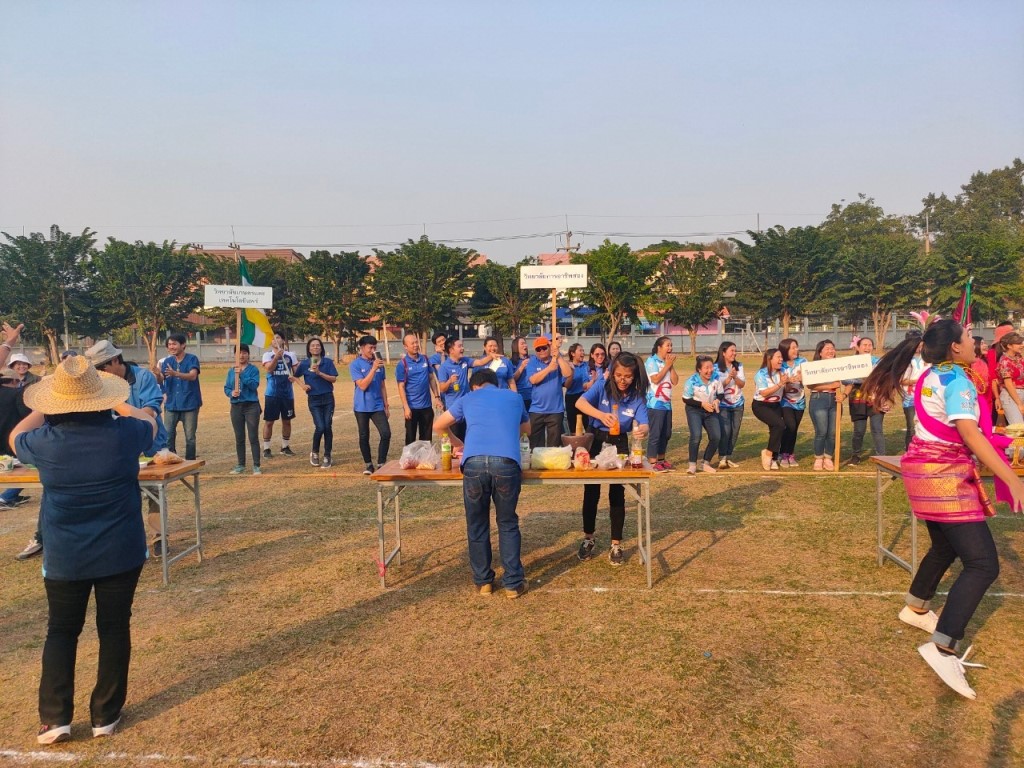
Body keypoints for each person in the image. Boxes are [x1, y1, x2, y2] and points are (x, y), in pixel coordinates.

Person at [862, 319, 1024, 699]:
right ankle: (943, 646)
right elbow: (969, 435)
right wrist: (1012, 478)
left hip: (922, 471)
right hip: (943, 476)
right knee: (983, 564)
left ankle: (916, 607)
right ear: (954, 346)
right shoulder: (956, 380)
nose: (974, 342)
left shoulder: (933, 374)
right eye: (968, 337)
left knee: (944, 547)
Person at [10, 355, 157, 744]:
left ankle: (54, 718)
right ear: (102, 398)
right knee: (114, 627)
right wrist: (117, 401)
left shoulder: (44, 442)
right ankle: (105, 714)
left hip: (65, 554)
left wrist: (46, 405)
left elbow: (15, 436)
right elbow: (150, 422)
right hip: (120, 550)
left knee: (61, 630)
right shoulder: (125, 434)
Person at [434, 368, 531, 598]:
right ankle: (513, 584)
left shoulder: (468, 398)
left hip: (474, 463)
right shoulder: (514, 397)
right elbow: (526, 429)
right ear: (496, 383)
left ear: (475, 386)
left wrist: (458, 443)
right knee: (507, 522)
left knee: (477, 523)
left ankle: (484, 581)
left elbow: (439, 425)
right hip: (506, 463)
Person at [86, 340, 170, 554]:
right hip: (117, 447)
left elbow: (150, 410)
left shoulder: (143, 377)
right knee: (120, 493)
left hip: (150, 444)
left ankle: (159, 537)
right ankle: (125, 538)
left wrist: (124, 418)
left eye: (102, 368)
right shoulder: (100, 384)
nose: (99, 374)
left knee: (155, 492)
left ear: (115, 360)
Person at [574, 351, 650, 565]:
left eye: (628, 376)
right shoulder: (602, 385)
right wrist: (600, 415)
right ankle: (588, 538)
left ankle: (616, 543)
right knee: (591, 491)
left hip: (619, 444)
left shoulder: (636, 397)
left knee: (617, 493)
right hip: (596, 439)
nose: (622, 380)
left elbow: (644, 423)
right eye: (618, 375)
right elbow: (580, 403)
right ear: (613, 372)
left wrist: (642, 431)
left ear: (635, 376)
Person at [293, 338, 338, 468]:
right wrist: (303, 385)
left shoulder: (327, 362)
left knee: (327, 426)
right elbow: (294, 376)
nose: (315, 347)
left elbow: (333, 379)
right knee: (320, 427)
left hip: (328, 398)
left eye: (318, 345)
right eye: (312, 345)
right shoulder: (304, 364)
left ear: (321, 348)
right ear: (309, 348)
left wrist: (319, 373)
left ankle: (327, 455)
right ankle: (315, 452)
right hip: (314, 399)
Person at [350, 335, 391, 475]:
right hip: (361, 406)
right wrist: (373, 369)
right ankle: (368, 464)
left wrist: (386, 405)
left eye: (375, 347)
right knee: (364, 435)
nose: (373, 350)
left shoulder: (379, 363)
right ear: (362, 348)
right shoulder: (355, 364)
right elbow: (362, 385)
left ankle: (381, 463)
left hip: (377, 405)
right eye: (370, 348)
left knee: (386, 433)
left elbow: (382, 385)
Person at [525, 335, 573, 449]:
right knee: (535, 446)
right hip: (536, 409)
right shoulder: (533, 361)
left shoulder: (556, 359)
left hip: (555, 410)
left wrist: (558, 357)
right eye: (538, 349)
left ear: (549, 347)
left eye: (544, 348)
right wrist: (549, 369)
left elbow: (568, 373)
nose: (541, 351)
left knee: (554, 447)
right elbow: (533, 380)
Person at [160, 333, 201, 460]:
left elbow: (193, 376)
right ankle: (170, 460)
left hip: (189, 403)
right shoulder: (167, 361)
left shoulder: (192, 359)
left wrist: (175, 373)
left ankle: (190, 462)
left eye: (174, 344)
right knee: (168, 435)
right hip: (171, 404)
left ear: (183, 345)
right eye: (169, 344)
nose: (171, 347)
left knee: (190, 437)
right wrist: (156, 375)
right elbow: (161, 379)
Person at [845, 337, 885, 463]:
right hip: (857, 399)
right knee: (859, 430)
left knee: (877, 429)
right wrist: (860, 379)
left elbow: (883, 378)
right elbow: (844, 379)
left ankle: (882, 457)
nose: (867, 347)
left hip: (875, 399)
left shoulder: (878, 362)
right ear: (858, 347)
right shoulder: (851, 362)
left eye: (869, 345)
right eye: (864, 345)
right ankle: (856, 455)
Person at [224, 344, 262, 475]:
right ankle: (241, 464)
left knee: (253, 436)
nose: (241, 355)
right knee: (239, 437)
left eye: (244, 353)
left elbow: (254, 385)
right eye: (239, 353)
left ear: (248, 355)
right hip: (236, 406)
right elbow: (226, 387)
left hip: (251, 406)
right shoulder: (231, 371)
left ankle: (256, 465)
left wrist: (242, 375)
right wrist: (231, 393)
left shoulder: (253, 370)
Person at [806, 339, 844, 471]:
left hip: (834, 400)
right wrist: (830, 386)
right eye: (827, 349)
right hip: (819, 399)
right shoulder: (814, 367)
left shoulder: (839, 366)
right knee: (821, 431)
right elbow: (810, 385)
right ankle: (819, 458)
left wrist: (844, 394)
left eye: (832, 348)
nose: (831, 351)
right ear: (820, 352)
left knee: (832, 432)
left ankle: (828, 457)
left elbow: (849, 382)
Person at [682, 355, 723, 474]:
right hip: (694, 410)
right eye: (706, 368)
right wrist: (701, 404)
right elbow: (686, 399)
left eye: (711, 367)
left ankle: (706, 463)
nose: (710, 370)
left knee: (716, 436)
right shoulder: (691, 381)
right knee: (696, 436)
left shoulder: (716, 378)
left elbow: (720, 393)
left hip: (710, 410)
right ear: (699, 369)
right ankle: (692, 465)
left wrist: (717, 400)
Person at [396, 332, 438, 445]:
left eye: (416, 342)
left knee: (426, 439)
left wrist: (437, 397)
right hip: (412, 407)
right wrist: (406, 407)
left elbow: (431, 378)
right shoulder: (402, 364)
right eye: (412, 343)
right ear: (405, 347)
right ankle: (410, 457)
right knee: (411, 438)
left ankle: (425, 457)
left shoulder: (425, 359)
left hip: (426, 406)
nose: (415, 345)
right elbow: (401, 386)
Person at [261, 333, 298, 458]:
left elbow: (297, 372)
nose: (275, 340)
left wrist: (296, 375)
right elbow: (269, 369)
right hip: (272, 393)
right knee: (269, 422)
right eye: (273, 338)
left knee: (287, 421)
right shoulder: (267, 355)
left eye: (277, 337)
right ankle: (266, 448)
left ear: (282, 340)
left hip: (287, 394)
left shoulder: (290, 355)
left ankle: (285, 447)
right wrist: (276, 358)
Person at [645, 336, 678, 472]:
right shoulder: (651, 361)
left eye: (671, 345)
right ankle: (652, 461)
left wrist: (670, 366)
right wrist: (667, 366)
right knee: (656, 433)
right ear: (659, 347)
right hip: (655, 404)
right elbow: (655, 379)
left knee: (666, 433)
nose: (670, 348)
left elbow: (675, 381)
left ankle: (661, 460)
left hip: (666, 404)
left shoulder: (667, 363)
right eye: (667, 345)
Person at [752, 348, 788, 471]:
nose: (781, 359)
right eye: (778, 357)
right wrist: (780, 384)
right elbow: (764, 393)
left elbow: (788, 384)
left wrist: (792, 380)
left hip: (776, 404)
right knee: (780, 425)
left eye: (781, 357)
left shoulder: (783, 371)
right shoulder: (761, 374)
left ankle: (773, 458)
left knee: (775, 430)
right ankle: (767, 453)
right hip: (761, 405)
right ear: (769, 359)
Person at [714, 341, 745, 469]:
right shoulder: (715, 367)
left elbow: (742, 384)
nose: (734, 353)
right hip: (722, 404)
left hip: (738, 403)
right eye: (732, 350)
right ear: (723, 352)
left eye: (735, 350)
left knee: (735, 431)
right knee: (725, 431)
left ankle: (728, 456)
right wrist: (728, 379)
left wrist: (735, 377)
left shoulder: (739, 366)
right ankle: (722, 457)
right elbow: (716, 387)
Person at [778, 339, 806, 467]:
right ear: (785, 350)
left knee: (794, 429)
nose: (796, 350)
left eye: (796, 347)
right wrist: (788, 381)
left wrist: (803, 378)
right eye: (792, 348)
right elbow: (777, 383)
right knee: (790, 426)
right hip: (785, 402)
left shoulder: (803, 362)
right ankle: (783, 453)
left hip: (800, 401)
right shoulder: (780, 364)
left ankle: (790, 453)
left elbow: (809, 382)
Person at [437, 338, 471, 442]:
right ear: (451, 350)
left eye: (462, 346)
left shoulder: (465, 361)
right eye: (459, 346)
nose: (462, 348)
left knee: (466, 439)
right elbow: (442, 389)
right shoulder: (444, 367)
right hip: (453, 409)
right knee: (455, 440)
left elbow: (479, 362)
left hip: (466, 407)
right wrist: (450, 381)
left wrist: (490, 356)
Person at [900, 331, 926, 449]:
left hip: (925, 396)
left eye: (921, 344)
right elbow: (902, 380)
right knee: (912, 427)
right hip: (909, 399)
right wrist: (918, 381)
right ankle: (909, 450)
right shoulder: (904, 360)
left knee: (924, 426)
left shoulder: (926, 358)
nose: (919, 347)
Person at [995, 332, 1024, 424]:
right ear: (1009, 346)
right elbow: (1008, 384)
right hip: (1011, 396)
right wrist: (1019, 404)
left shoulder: (1019, 357)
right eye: (1018, 343)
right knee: (1018, 427)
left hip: (1021, 394)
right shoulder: (1005, 361)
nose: (1022, 345)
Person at [563, 343, 589, 435]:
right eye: (580, 350)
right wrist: (572, 372)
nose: (583, 353)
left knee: (588, 424)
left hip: (585, 397)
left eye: (583, 350)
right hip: (572, 398)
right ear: (573, 353)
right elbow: (566, 385)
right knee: (574, 427)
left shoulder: (587, 365)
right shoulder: (567, 366)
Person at [510, 336, 532, 412]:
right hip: (520, 395)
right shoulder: (511, 362)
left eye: (525, 343)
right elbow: (512, 379)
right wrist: (522, 367)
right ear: (516, 347)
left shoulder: (532, 359)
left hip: (533, 395)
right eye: (522, 344)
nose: (525, 345)